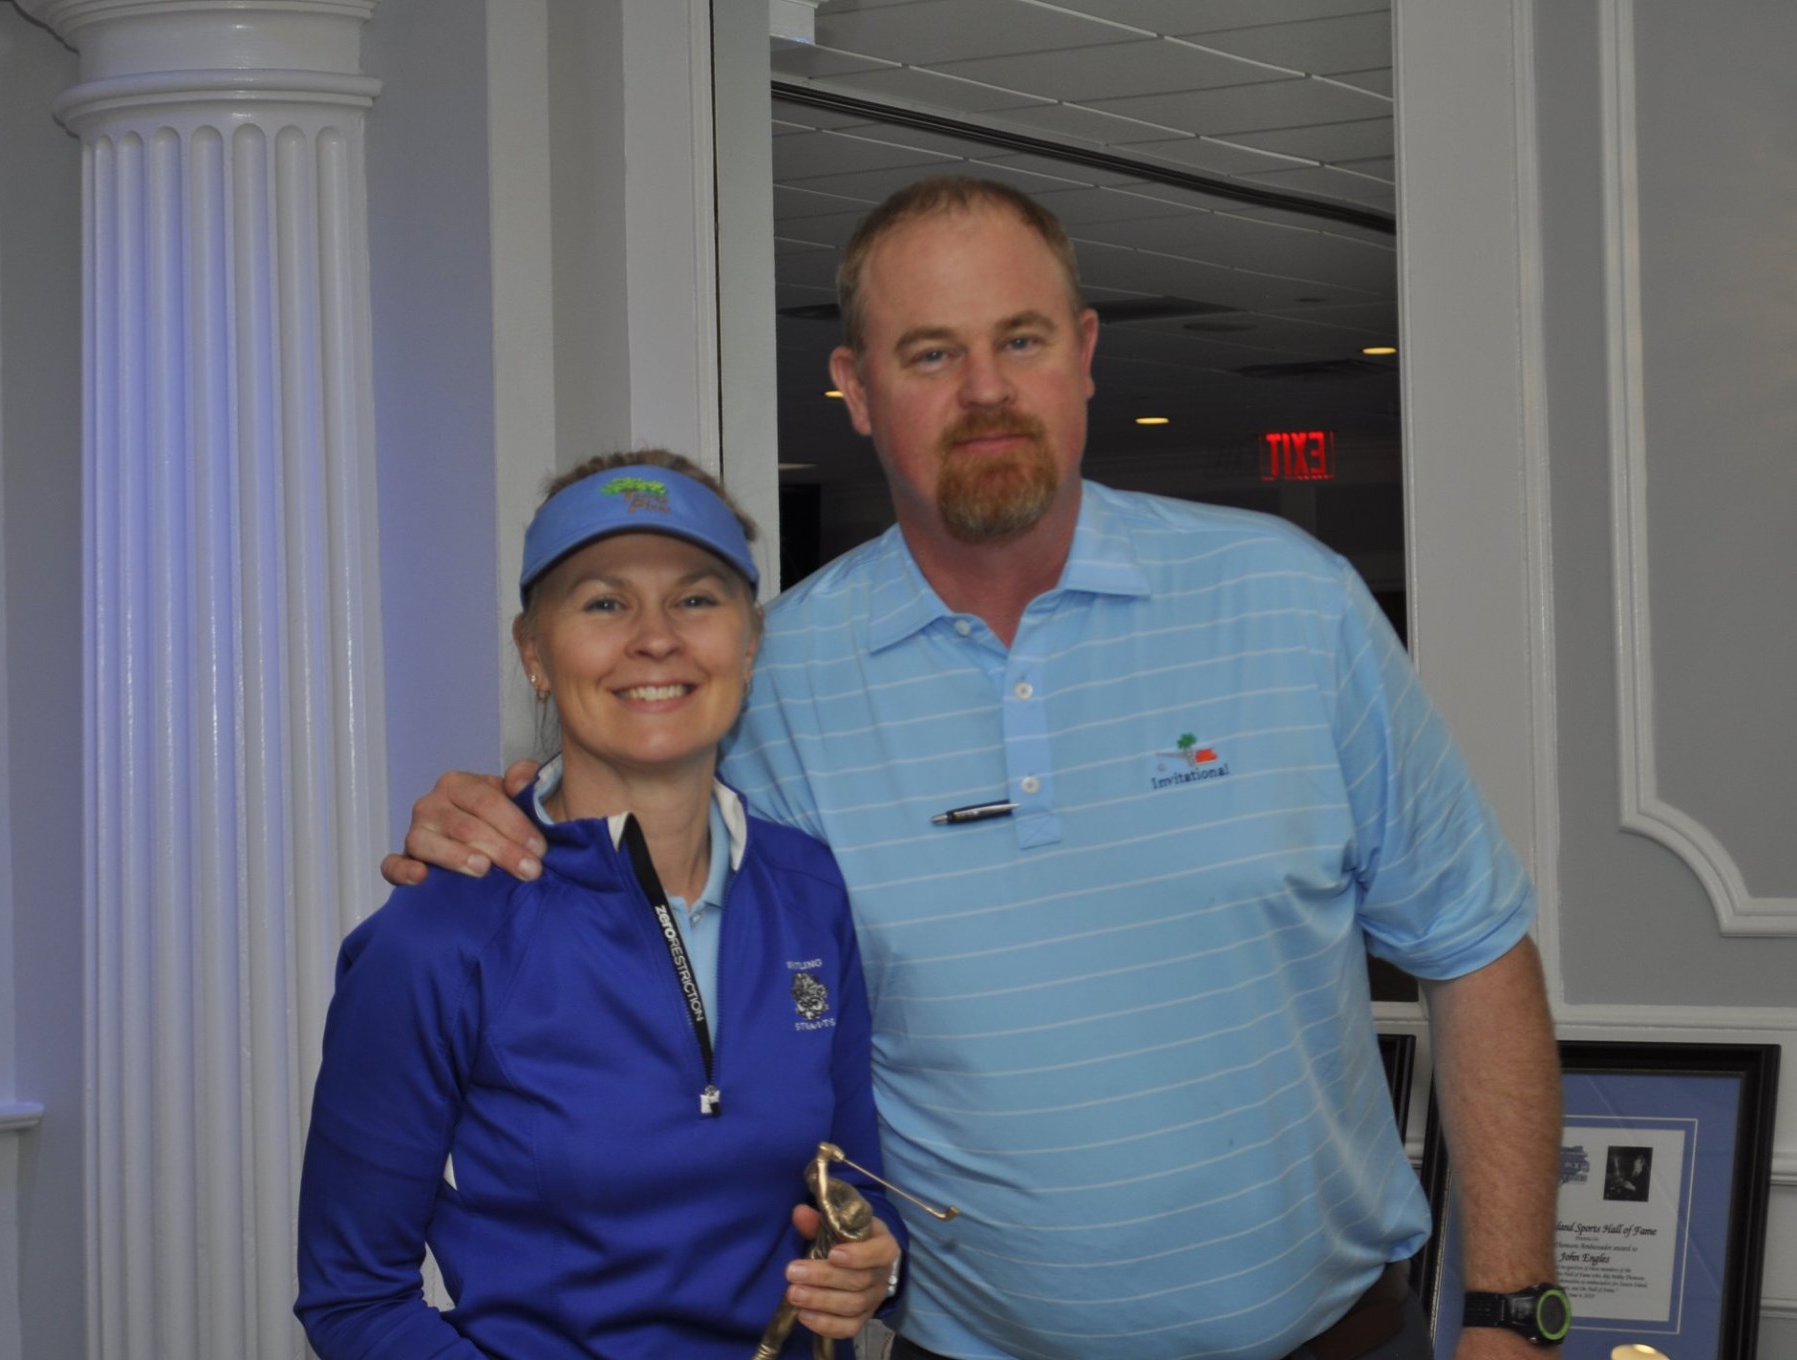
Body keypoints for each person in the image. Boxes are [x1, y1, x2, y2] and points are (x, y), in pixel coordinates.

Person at [383, 179, 1564, 1360]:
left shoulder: (1290, 603)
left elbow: (1475, 947)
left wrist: (1511, 1319)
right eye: (931, 353)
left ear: (1084, 354)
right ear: (853, 388)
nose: (986, 390)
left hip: (1337, 1342)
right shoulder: (768, 680)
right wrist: (499, 819)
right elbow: (633, 918)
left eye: (1020, 340)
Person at [296, 451, 904, 1359]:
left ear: (748, 642)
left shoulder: (809, 891)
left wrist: (876, 1266)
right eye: (604, 602)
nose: (655, 637)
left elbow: (862, 1188)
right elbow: (353, 1298)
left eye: (697, 599)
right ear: (534, 651)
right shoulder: (441, 933)